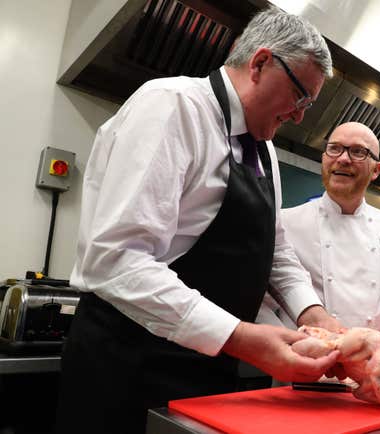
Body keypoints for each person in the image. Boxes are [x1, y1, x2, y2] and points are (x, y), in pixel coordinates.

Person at [56, 7, 343, 433]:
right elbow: (117, 260)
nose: (300, 115)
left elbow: (277, 251)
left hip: (208, 371)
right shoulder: (173, 106)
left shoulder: (263, 149)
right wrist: (242, 338)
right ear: (261, 63)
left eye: (309, 105)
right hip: (130, 365)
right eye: (300, 96)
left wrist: (316, 316)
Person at [257, 121, 380, 347]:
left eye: (358, 152)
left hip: (369, 365)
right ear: (324, 158)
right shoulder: (285, 222)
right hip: (301, 365)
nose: (343, 158)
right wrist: (285, 344)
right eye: (334, 148)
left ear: (376, 170)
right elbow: (258, 298)